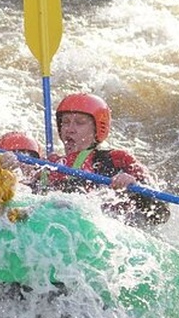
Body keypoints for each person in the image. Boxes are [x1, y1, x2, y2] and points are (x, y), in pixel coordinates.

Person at [45, 93, 170, 226]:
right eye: (65, 122)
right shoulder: (49, 164)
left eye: (80, 123)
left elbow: (161, 212)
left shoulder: (118, 160)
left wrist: (134, 187)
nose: (70, 129)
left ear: (97, 129)